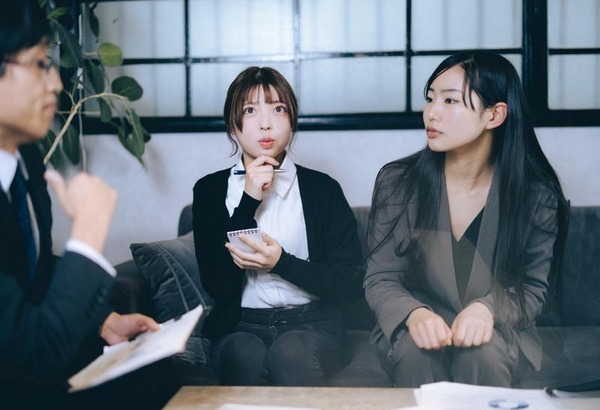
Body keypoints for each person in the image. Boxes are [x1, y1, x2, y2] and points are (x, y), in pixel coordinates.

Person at [0, 2, 178, 408]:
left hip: (31, 359)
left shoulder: (25, 158)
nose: (55, 84)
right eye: (39, 64)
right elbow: (34, 350)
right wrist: (88, 232)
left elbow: (35, 269)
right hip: (18, 373)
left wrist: (104, 321)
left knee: (153, 372)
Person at [364, 50, 568, 387]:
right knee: (417, 351)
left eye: (449, 101)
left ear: (494, 115)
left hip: (497, 329)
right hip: (416, 324)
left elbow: (533, 288)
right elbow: (381, 277)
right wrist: (414, 314)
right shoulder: (398, 181)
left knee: (483, 353)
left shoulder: (535, 194)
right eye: (430, 99)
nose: (431, 113)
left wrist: (488, 309)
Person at [192, 66, 364, 386]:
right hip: (241, 325)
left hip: (312, 324)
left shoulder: (322, 189)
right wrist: (249, 200)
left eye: (278, 109)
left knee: (291, 353)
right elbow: (217, 284)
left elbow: (350, 282)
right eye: (250, 110)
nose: (265, 123)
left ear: (292, 120)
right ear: (232, 124)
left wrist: (281, 263)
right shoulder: (209, 190)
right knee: (241, 354)